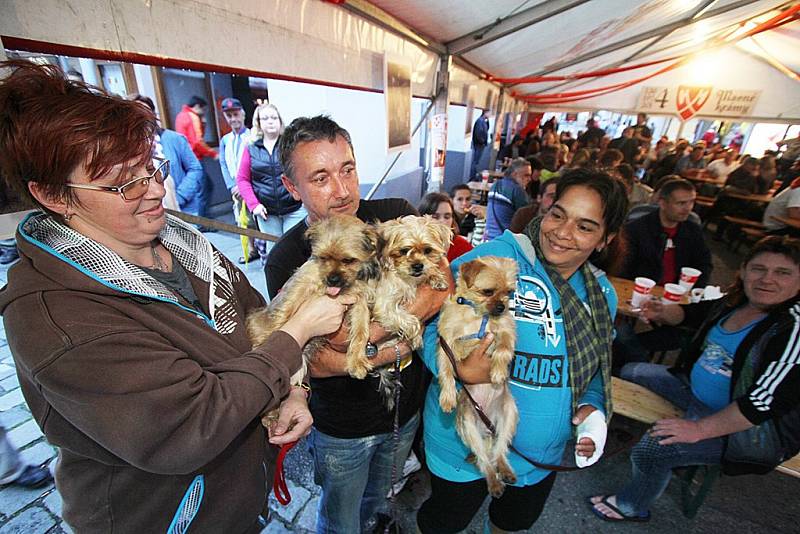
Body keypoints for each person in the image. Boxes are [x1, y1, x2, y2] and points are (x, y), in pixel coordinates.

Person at [0, 61, 352, 533]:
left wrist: (293, 389)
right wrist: (300, 330)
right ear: (53, 195)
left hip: (238, 501)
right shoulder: (57, 316)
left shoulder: (181, 241)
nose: (153, 189)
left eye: (151, 167)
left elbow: (255, 320)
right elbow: (192, 425)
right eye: (123, 182)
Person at [417, 168, 628, 533]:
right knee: (442, 523)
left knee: (510, 526)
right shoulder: (496, 259)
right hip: (461, 448)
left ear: (605, 238)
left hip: (538, 460)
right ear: (544, 208)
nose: (562, 232)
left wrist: (592, 408)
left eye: (585, 226)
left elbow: (591, 371)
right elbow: (425, 320)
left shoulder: (601, 295)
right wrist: (457, 367)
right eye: (558, 214)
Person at [264, 115, 447, 533]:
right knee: (340, 518)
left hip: (406, 408)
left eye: (347, 169)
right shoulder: (288, 259)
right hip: (342, 428)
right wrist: (401, 337)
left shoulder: (394, 216)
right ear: (293, 188)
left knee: (378, 499)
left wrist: (366, 343)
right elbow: (319, 360)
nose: (343, 190)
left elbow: (440, 284)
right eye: (321, 178)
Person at [591, 235, 800, 522]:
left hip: (748, 429)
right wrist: (664, 311)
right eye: (758, 269)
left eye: (783, 272)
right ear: (744, 271)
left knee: (653, 449)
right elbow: (690, 315)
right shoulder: (737, 302)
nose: (767, 279)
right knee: (632, 371)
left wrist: (698, 429)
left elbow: (762, 404)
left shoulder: (793, 328)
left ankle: (631, 505)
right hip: (694, 390)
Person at [236, 103, 307, 257]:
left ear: (280, 121)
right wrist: (254, 205)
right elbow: (242, 179)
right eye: (265, 118)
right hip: (267, 212)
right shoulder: (251, 148)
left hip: (294, 208)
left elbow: (303, 171)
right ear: (259, 123)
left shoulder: (291, 145)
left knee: (296, 249)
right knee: (275, 253)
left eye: (274, 118)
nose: (270, 121)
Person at [617, 178, 712, 287]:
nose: (688, 208)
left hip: (680, 293)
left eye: (691, 202)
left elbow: (704, 264)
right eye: (681, 203)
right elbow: (622, 268)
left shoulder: (693, 231)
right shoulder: (636, 230)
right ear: (662, 203)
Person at [130, 94, 204, 216]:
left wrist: (180, 195)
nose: (142, 117)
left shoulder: (175, 139)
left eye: (146, 111)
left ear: (154, 114)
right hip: (149, 213)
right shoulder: (128, 149)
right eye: (136, 112)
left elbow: (195, 168)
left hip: (183, 209)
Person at [218, 97, 259, 263]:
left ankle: (262, 250)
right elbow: (223, 164)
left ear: (242, 114)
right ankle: (251, 249)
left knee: (254, 220)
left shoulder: (252, 137)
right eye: (229, 116)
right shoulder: (225, 140)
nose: (233, 119)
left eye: (236, 114)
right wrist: (231, 185)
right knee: (241, 220)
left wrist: (243, 188)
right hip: (234, 188)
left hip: (250, 187)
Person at [484, 158, 532, 241]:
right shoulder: (517, 190)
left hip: (488, 237)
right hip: (505, 240)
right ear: (514, 174)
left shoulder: (495, 185)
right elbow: (528, 219)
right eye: (526, 175)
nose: (529, 179)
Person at [417, 192, 473, 261]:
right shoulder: (412, 243)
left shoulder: (462, 246)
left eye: (447, 217)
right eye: (435, 217)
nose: (442, 221)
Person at [174, 95, 218, 161]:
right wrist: (213, 154)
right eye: (203, 109)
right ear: (197, 106)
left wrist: (202, 125)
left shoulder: (180, 115)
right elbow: (198, 141)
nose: (204, 112)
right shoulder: (193, 117)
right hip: (194, 156)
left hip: (184, 156)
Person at [471, 109, 490, 180]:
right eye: (489, 113)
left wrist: (488, 121)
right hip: (479, 144)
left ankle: (474, 175)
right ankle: (473, 177)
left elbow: (487, 129)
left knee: (477, 161)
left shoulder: (484, 121)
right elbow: (478, 132)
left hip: (480, 144)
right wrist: (482, 141)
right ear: (485, 113)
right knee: (475, 161)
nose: (489, 115)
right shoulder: (480, 121)